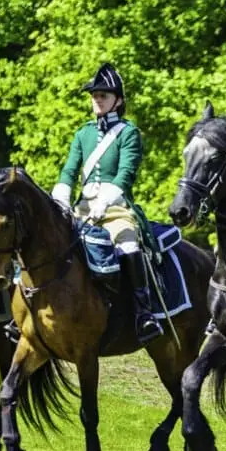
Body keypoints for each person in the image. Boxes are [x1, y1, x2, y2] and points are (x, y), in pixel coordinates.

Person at [50, 63, 162, 345]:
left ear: (118, 100)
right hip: (82, 209)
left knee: (128, 244)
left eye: (104, 95)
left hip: (115, 209)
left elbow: (125, 174)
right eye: (95, 95)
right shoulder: (83, 134)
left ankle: (143, 312)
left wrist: (106, 200)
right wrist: (61, 197)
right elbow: (69, 171)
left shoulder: (128, 133)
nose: (97, 99)